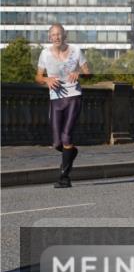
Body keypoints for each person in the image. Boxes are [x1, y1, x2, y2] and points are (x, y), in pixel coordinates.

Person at [35, 23, 91, 188]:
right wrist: (47, 79)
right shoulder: (45, 54)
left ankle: (64, 178)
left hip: (73, 96)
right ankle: (71, 152)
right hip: (56, 99)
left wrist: (78, 72)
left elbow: (89, 73)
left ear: (64, 35)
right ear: (50, 37)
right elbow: (38, 77)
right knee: (57, 143)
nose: (57, 37)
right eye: (53, 34)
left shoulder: (76, 51)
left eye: (59, 34)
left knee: (67, 136)